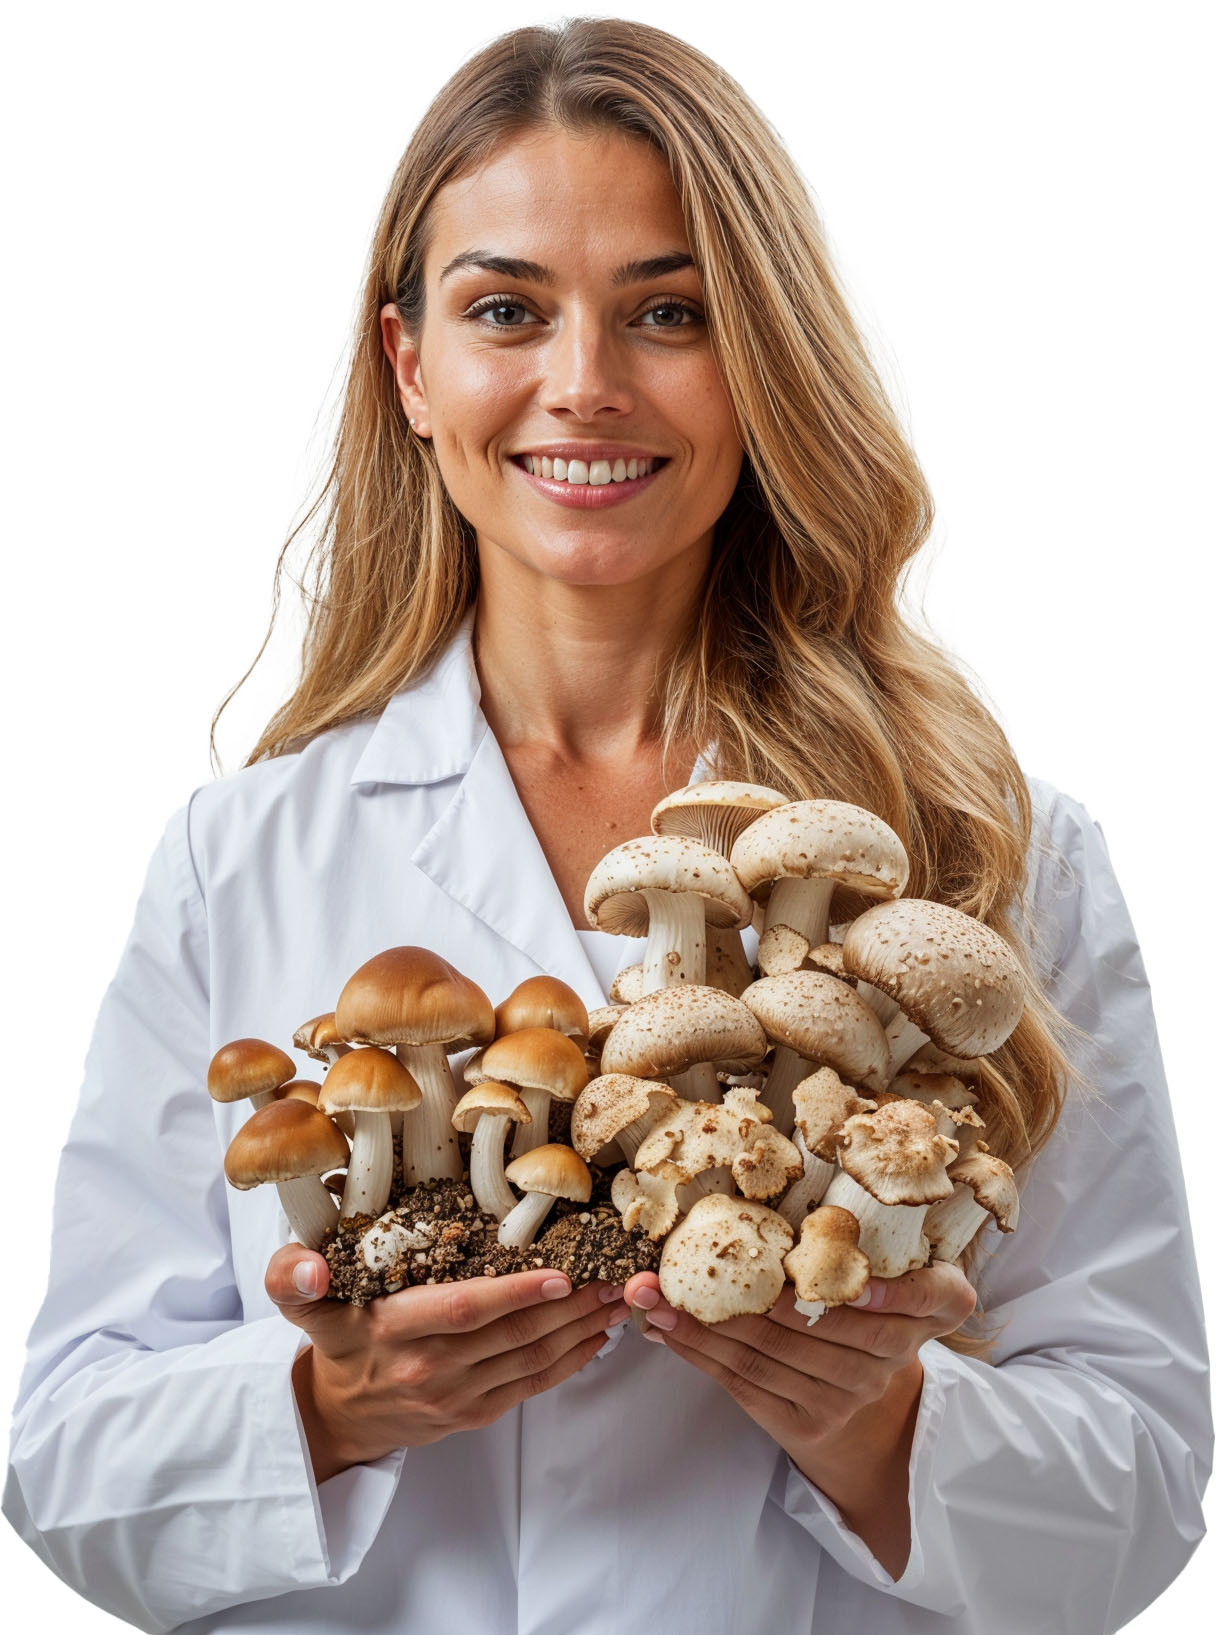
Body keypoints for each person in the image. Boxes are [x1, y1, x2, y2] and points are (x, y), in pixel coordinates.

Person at [4, 17, 1209, 1634]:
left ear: (765, 361)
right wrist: (333, 1407)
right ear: (411, 368)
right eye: (508, 309)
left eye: (671, 313)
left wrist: (881, 1424)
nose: (585, 384)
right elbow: (68, 1459)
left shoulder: (989, 845)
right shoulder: (243, 859)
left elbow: (1139, 1480)